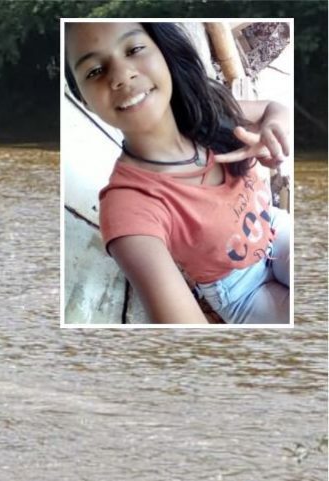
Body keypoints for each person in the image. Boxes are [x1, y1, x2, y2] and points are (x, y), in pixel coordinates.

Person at [64, 22, 291, 324]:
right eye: (94, 71)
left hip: (275, 228)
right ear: (84, 100)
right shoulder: (129, 208)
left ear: (164, 52)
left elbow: (274, 109)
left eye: (134, 49)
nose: (121, 76)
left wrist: (275, 130)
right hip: (238, 290)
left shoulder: (209, 111)